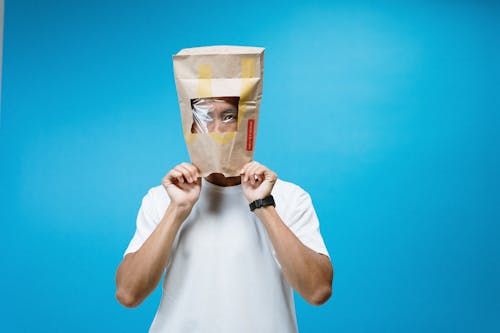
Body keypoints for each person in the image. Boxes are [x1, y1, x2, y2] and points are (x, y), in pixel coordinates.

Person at [115, 98, 334, 332]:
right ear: (192, 127)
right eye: (205, 118)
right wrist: (177, 210)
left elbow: (317, 290)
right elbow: (128, 294)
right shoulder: (162, 198)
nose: (217, 130)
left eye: (228, 117)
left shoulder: (290, 197)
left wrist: (263, 204)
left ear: (249, 124)